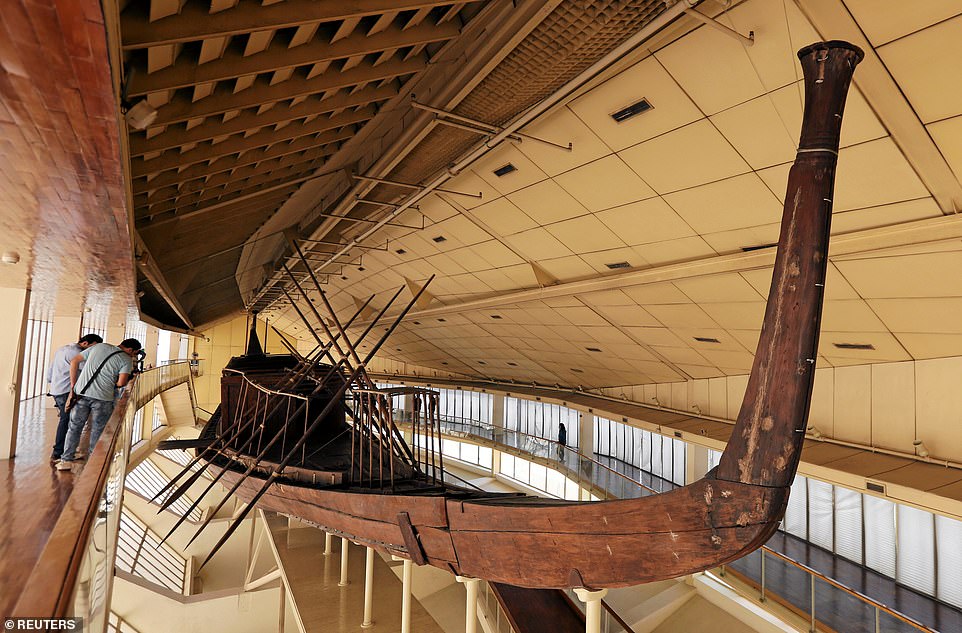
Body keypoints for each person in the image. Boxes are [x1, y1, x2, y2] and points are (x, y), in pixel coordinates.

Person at [56, 338, 142, 471]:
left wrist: (73, 386)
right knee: (97, 430)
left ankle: (66, 460)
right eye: (134, 353)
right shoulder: (126, 359)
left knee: (74, 427)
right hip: (103, 398)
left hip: (81, 393)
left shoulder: (99, 347)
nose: (133, 356)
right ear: (130, 350)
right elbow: (121, 383)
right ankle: (92, 463)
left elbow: (74, 361)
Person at [47, 333, 103, 462]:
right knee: (67, 422)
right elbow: (86, 370)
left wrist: (51, 382)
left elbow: (50, 369)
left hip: (57, 389)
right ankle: (59, 453)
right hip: (67, 390)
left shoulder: (62, 349)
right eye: (93, 347)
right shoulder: (77, 353)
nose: (93, 351)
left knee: (66, 420)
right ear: (85, 343)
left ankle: (63, 452)